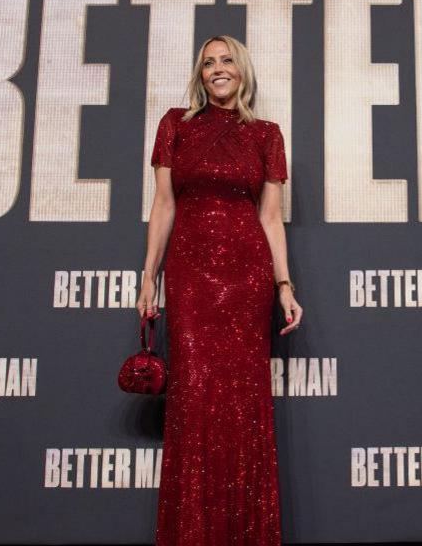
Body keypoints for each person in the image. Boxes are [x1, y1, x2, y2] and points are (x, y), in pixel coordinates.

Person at [136, 34, 302, 546]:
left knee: (241, 404)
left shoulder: (266, 135)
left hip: (246, 278)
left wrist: (284, 284)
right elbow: (163, 206)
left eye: (227, 59)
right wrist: (149, 275)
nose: (217, 68)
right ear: (200, 75)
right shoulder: (174, 126)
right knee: (195, 401)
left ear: (242, 70)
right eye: (208, 63)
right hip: (190, 278)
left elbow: (270, 218)